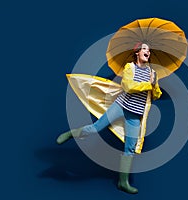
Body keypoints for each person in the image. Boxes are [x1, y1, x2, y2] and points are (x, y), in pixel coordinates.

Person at [56, 43, 162, 194]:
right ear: (137, 52)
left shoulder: (153, 73)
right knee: (96, 128)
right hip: (120, 106)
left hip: (135, 114)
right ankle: (71, 133)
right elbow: (128, 86)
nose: (148, 52)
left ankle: (122, 182)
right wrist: (147, 84)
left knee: (130, 148)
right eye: (145, 49)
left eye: (149, 50)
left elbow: (156, 96)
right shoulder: (129, 67)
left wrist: (154, 85)